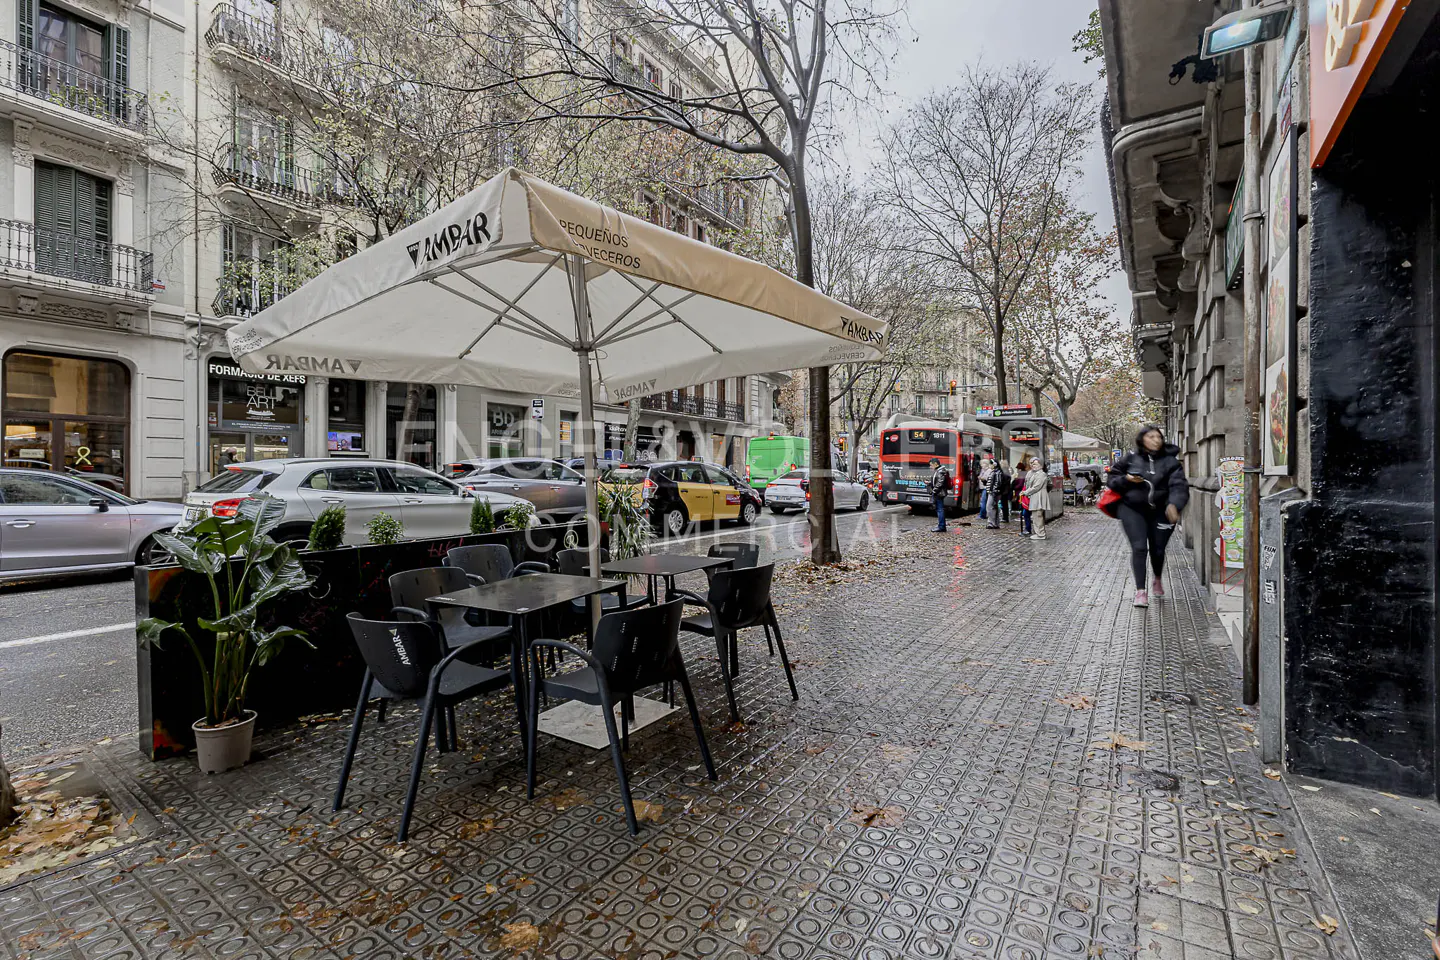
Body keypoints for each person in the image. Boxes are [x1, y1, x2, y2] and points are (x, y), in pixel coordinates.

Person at [1108, 425, 1190, 607]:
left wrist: (1174, 504)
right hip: (1131, 508)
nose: (1155, 440)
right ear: (1142, 439)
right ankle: (1140, 592)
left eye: (1158, 437)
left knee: (1158, 549)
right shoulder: (1130, 458)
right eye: (1151, 436)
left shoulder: (1171, 462)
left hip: (1161, 510)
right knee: (1139, 548)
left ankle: (1158, 578)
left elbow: (1179, 486)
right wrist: (1127, 479)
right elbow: (1112, 480)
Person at [1021, 458, 1052, 539]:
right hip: (1035, 496)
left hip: (1039, 496)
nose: (1033, 465)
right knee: (1035, 516)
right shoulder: (1034, 473)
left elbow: (1036, 487)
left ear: (1040, 465)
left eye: (1035, 464)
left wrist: (1025, 492)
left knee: (1038, 516)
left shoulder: (1041, 474)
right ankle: (1038, 533)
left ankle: (1040, 534)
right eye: (1032, 464)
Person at [928, 457, 952, 532]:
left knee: (940, 509)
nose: (930, 467)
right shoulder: (939, 470)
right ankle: (941, 525)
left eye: (931, 465)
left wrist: (934, 491)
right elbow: (938, 481)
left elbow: (940, 483)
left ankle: (941, 526)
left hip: (939, 493)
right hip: (938, 492)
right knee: (939, 509)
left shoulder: (941, 471)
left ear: (936, 464)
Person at [977, 456, 996, 521]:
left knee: (984, 501)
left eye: (983, 464)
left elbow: (987, 479)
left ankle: (982, 515)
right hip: (983, 487)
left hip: (986, 488)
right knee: (983, 501)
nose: (981, 465)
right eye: (981, 464)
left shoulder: (989, 470)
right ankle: (982, 514)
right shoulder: (983, 470)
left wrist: (981, 478)